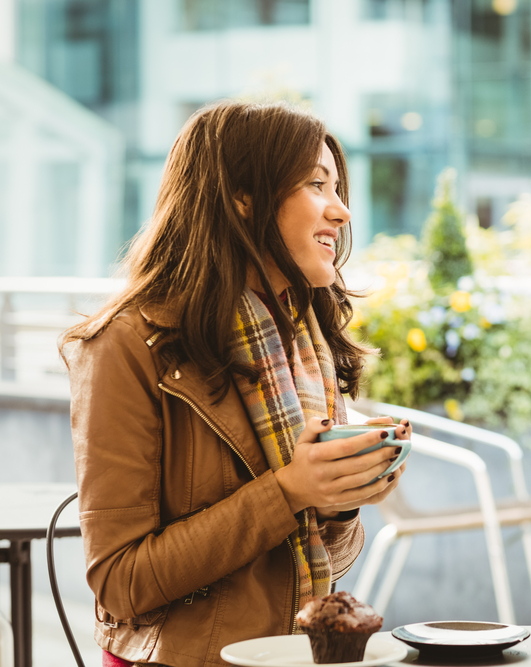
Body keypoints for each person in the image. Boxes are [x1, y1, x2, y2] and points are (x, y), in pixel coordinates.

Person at [60, 100, 409, 667]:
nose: (342, 211)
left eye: (338, 188)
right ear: (241, 198)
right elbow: (119, 585)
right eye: (317, 185)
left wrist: (341, 499)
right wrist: (289, 491)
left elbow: (323, 557)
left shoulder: (300, 338)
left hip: (293, 654)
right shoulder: (126, 345)